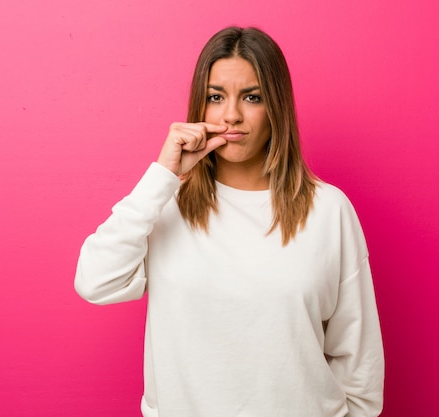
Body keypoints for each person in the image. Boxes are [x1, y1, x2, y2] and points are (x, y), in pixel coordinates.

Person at [75, 26, 384, 417]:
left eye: (251, 97)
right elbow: (95, 282)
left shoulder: (328, 210)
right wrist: (163, 177)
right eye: (215, 97)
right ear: (199, 108)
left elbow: (359, 360)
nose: (232, 115)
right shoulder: (165, 204)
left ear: (276, 107)